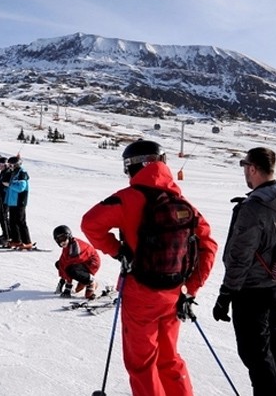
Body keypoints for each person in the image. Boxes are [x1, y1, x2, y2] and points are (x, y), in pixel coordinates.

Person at [81, 139, 217, 396]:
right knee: (169, 358)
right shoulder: (181, 201)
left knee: (142, 364)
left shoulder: (127, 199)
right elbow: (208, 244)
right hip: (174, 292)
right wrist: (192, 289)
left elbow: (90, 223)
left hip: (140, 293)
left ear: (134, 167)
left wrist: (118, 250)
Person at [212, 147, 276, 395]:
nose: (245, 171)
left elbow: (239, 257)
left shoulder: (253, 207)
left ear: (253, 169)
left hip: (254, 291)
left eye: (246, 167)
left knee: (257, 356)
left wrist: (226, 295)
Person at [53, 225, 101, 299]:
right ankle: (84, 280)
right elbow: (63, 261)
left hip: (91, 263)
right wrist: (62, 280)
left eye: (63, 238)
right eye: (59, 240)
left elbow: (69, 266)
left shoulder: (75, 247)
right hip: (81, 263)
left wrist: (68, 286)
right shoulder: (67, 245)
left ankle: (91, 282)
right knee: (59, 264)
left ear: (69, 236)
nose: (62, 241)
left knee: (71, 270)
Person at [4, 156, 33, 249]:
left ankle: (27, 242)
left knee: (20, 221)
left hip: (20, 201)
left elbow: (21, 187)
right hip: (13, 201)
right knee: (12, 221)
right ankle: (16, 240)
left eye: (11, 164)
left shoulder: (22, 173)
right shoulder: (14, 172)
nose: (10, 166)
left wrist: (10, 185)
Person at [0, 157, 11, 244]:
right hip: (1, 197)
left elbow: (8, 185)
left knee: (3, 216)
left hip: (5, 198)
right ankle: (5, 234)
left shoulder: (8, 172)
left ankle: (8, 235)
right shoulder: (3, 172)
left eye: (1, 165)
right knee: (0, 216)